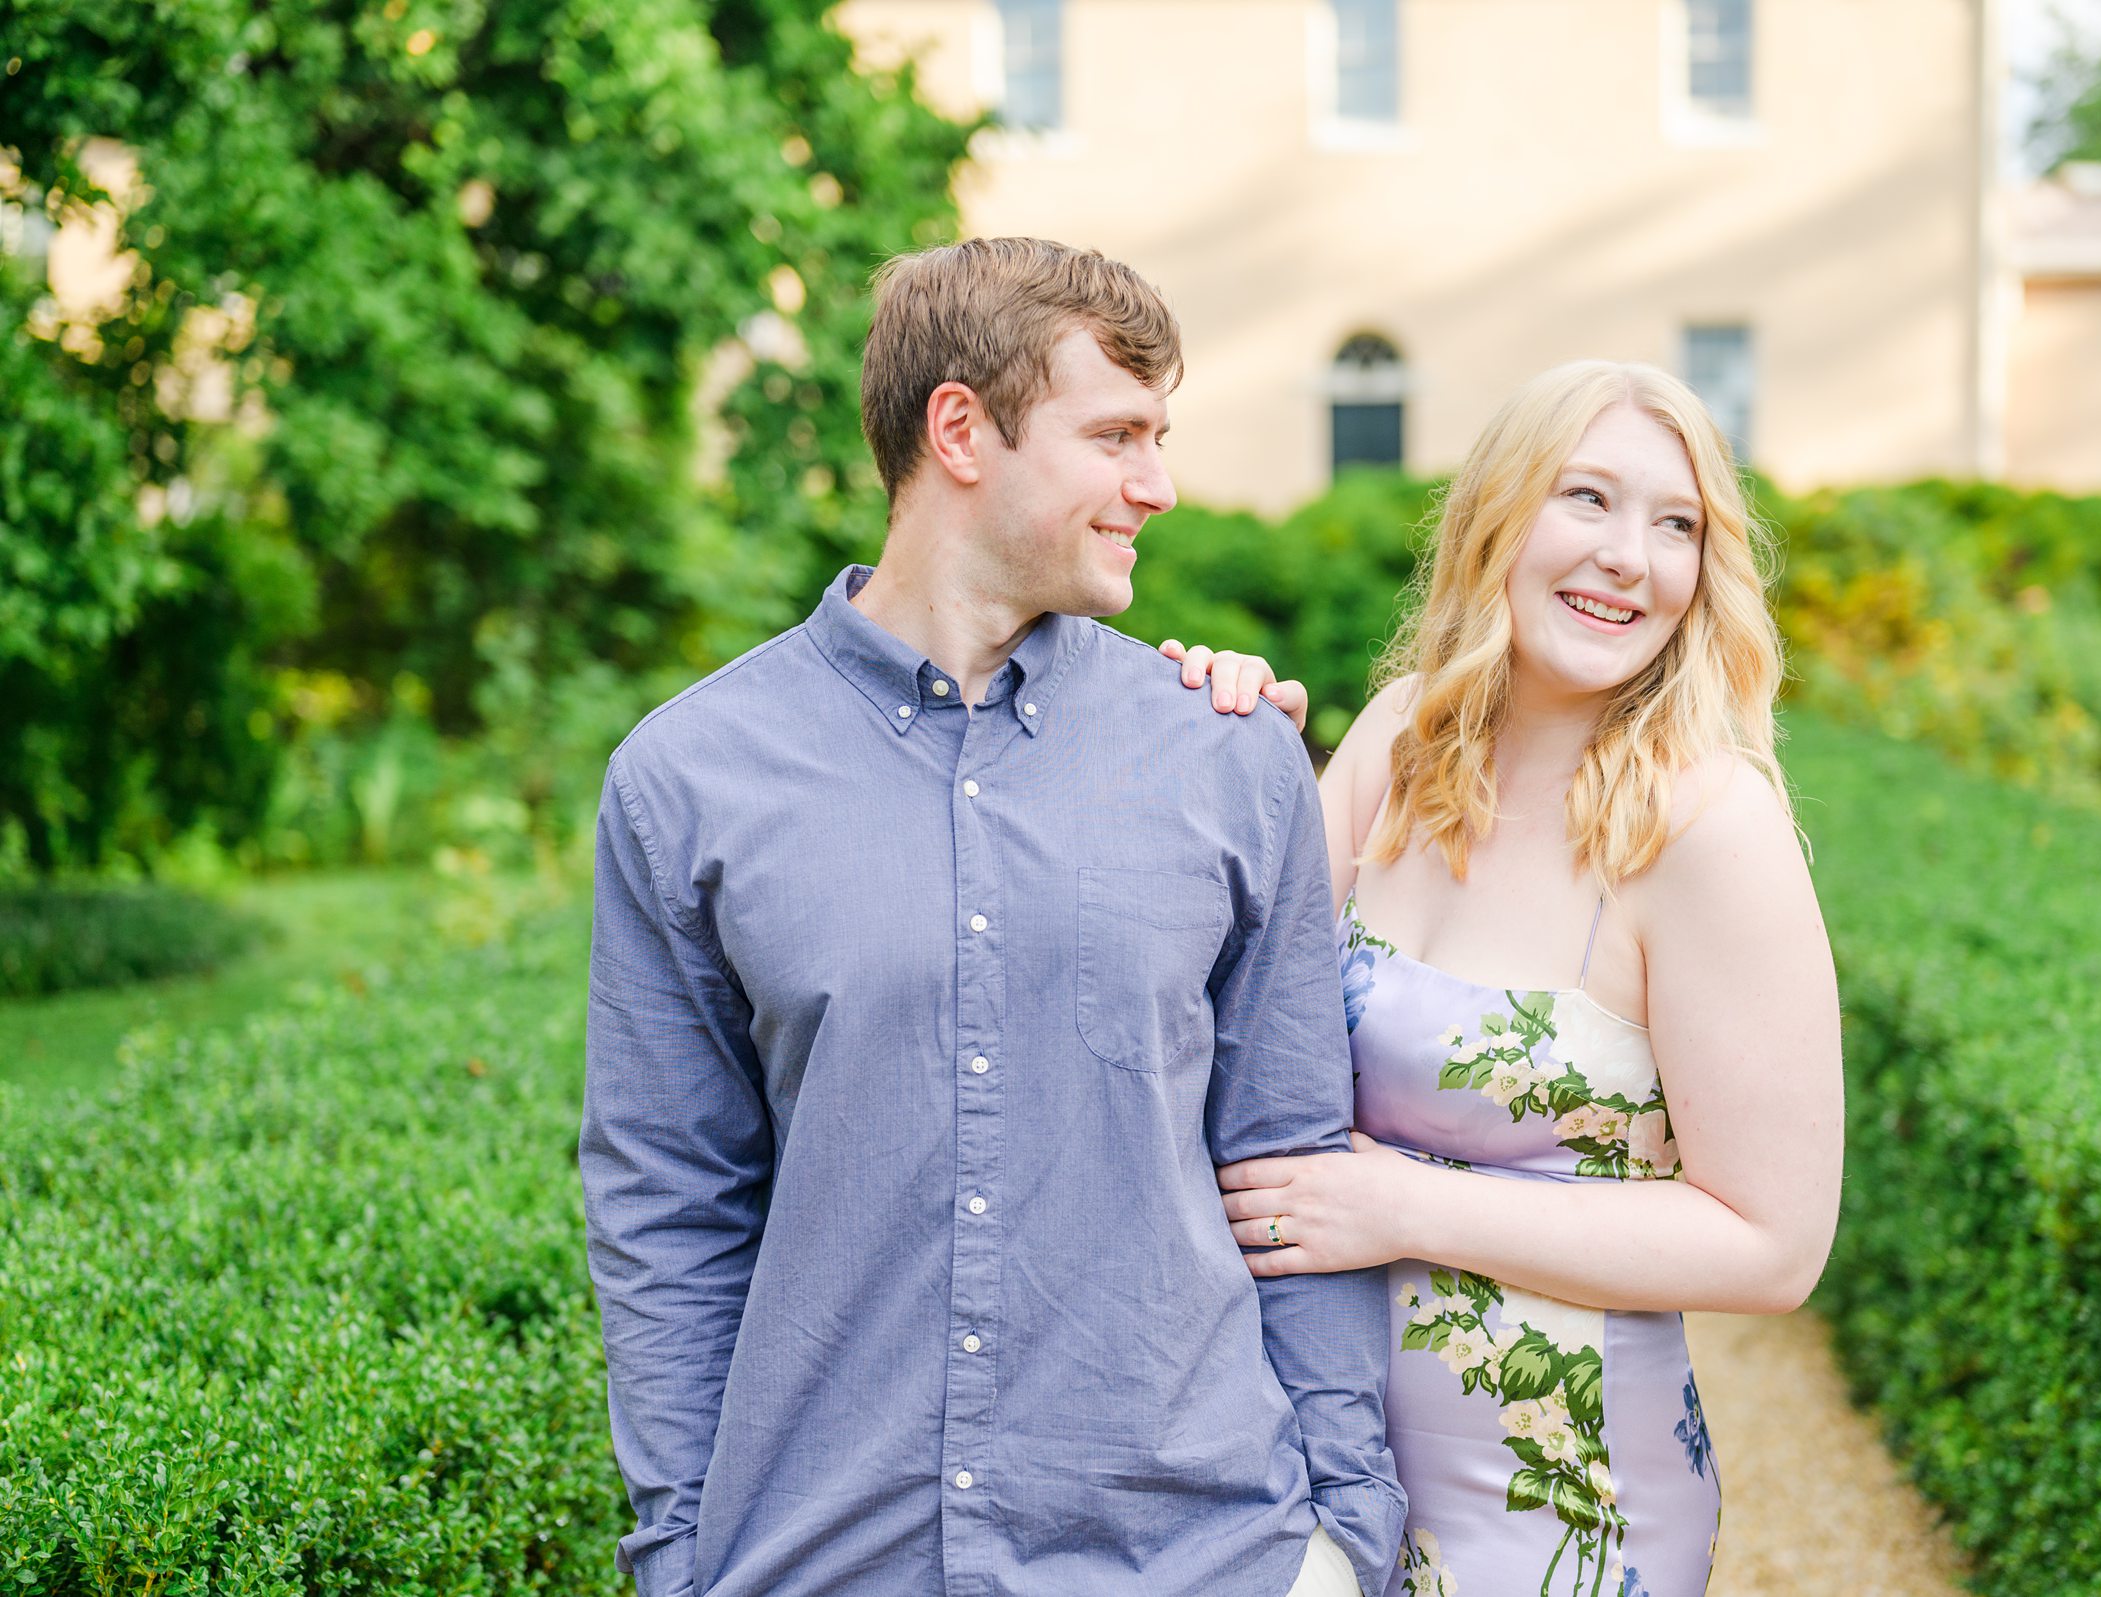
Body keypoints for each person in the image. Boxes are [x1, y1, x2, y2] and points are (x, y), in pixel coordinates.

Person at [579, 237, 1403, 1597]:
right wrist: (680, 1554)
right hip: (826, 1562)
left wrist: (1341, 1544)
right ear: (959, 428)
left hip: (1196, 1559)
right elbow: (670, 1205)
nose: (1160, 484)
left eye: (1162, 436)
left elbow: (1291, 1165)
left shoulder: (1230, 757)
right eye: (1116, 435)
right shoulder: (686, 780)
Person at [1166, 360, 1843, 1596]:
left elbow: (1774, 1244)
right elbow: (1211, 1017)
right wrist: (1208, 752)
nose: (1630, 555)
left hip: (1557, 1512)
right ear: (1496, 516)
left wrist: (1406, 1208)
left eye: (1677, 523)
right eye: (1587, 498)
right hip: (1308, 1476)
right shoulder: (1397, 739)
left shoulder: (1706, 827)